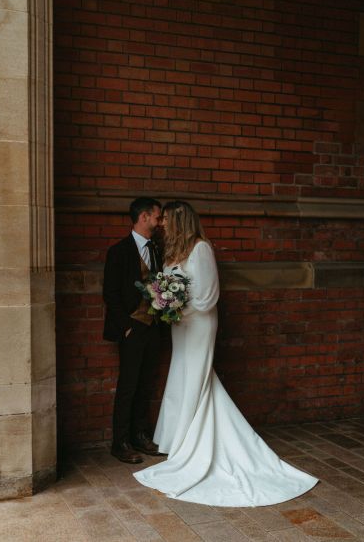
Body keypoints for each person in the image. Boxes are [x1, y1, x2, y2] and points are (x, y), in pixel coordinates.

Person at [134, 200, 318, 506]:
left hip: (199, 323)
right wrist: (167, 305)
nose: (162, 224)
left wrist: (177, 306)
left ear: (179, 221)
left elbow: (207, 296)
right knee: (183, 374)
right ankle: (177, 439)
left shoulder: (201, 248)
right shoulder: (173, 251)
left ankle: (192, 442)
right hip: (180, 325)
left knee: (197, 377)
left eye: (166, 219)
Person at [103, 196, 163, 464]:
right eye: (157, 217)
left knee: (146, 383)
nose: (159, 222)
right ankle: (121, 442)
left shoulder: (158, 249)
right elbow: (110, 294)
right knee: (128, 385)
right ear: (144, 218)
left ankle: (140, 435)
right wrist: (126, 327)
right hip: (132, 328)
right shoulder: (118, 251)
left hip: (154, 328)